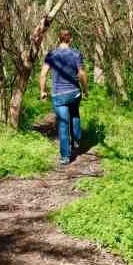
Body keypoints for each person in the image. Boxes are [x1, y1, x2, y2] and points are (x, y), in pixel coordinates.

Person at [40, 29, 88, 165]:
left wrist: (43, 91)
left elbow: (43, 74)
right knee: (75, 114)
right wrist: (85, 90)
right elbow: (82, 74)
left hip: (58, 94)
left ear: (59, 39)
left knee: (63, 124)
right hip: (74, 92)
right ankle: (77, 141)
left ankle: (65, 157)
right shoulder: (76, 53)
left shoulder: (52, 55)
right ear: (70, 39)